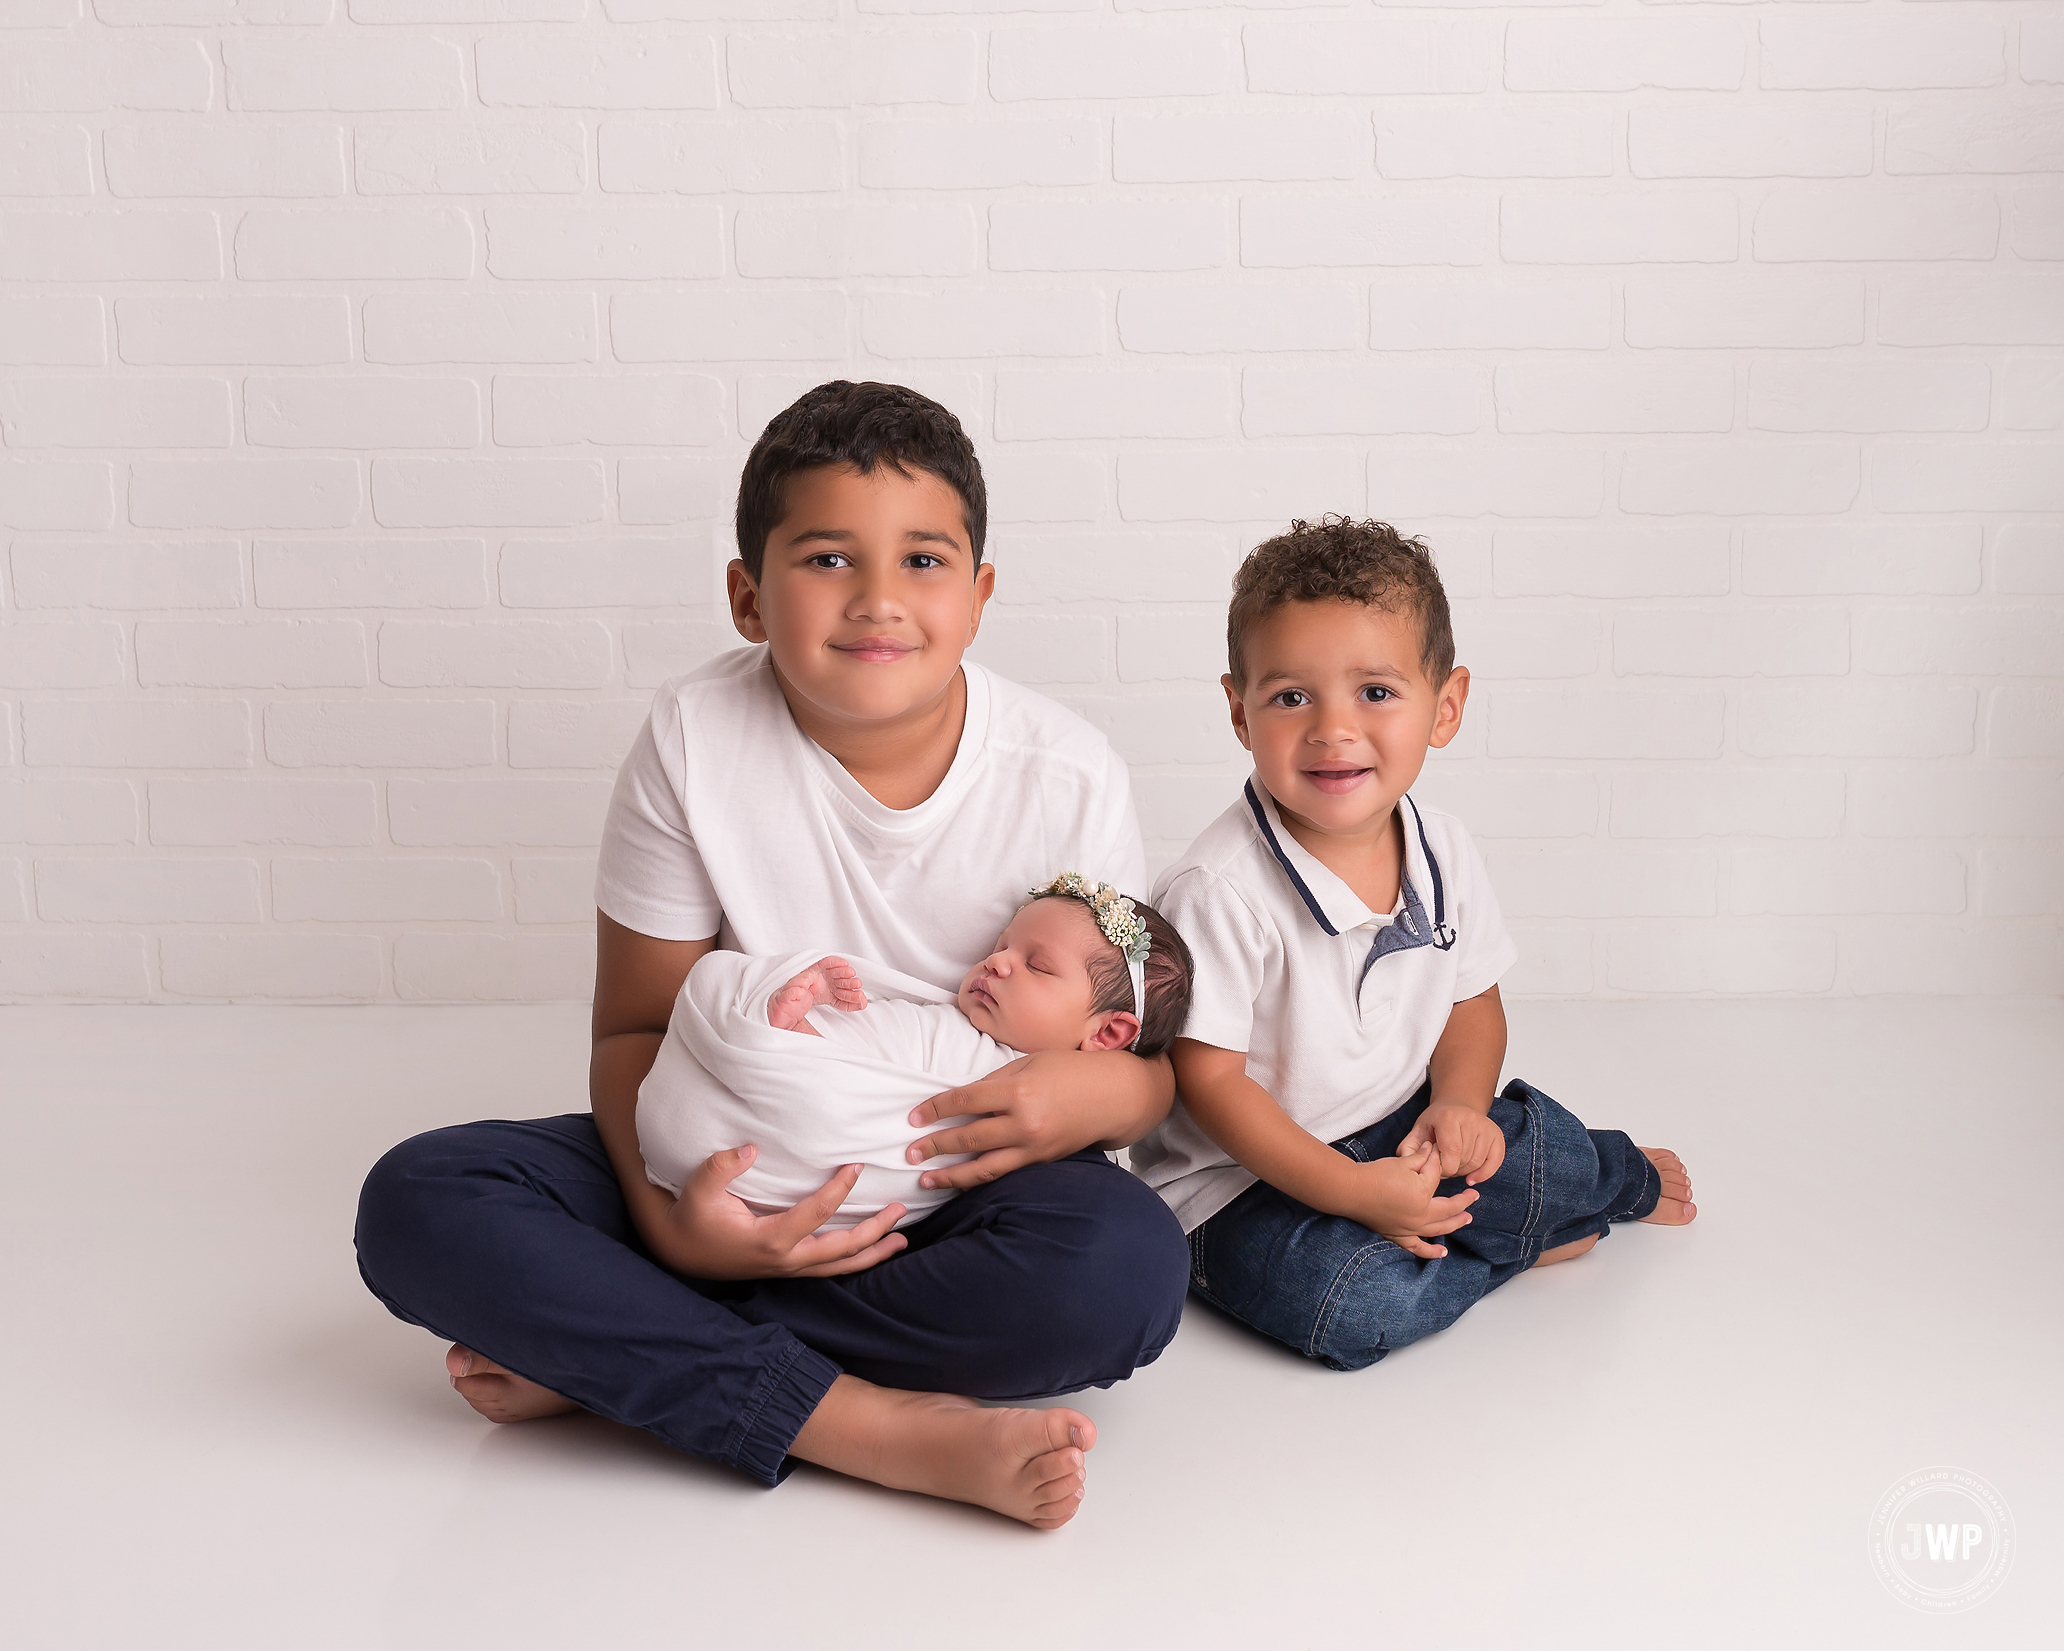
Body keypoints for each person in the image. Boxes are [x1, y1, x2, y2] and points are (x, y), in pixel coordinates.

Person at [354, 382, 1189, 1529]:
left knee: (1126, 1269)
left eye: (925, 562)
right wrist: (672, 1229)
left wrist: (1102, 1091)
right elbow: (633, 1033)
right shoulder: (694, 737)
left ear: (982, 596)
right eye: (829, 559)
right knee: (420, 1200)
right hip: (738, 1159)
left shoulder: (1066, 770)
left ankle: (616, 1355)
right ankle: (871, 1425)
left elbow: (1127, 1037)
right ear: (748, 596)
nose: (880, 601)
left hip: (949, 1185)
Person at [1130, 516, 1697, 1372]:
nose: (1332, 729)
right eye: (1290, 696)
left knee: (1535, 1154)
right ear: (1240, 712)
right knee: (1352, 1304)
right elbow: (1208, 1083)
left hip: (1399, 1126)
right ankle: (1516, 1243)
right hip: (1242, 1186)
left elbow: (1472, 1003)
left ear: (1447, 705)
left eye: (1376, 692)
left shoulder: (1442, 846)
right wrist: (1350, 1191)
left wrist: (1460, 1107)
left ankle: (1606, 1179)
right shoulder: (1221, 888)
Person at [637, 877, 1195, 1234]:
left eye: (1038, 966)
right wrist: (809, 1030)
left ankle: (790, 1038)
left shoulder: (1017, 1078)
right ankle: (785, 1037)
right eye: (1002, 947)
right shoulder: (950, 1024)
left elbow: (870, 1112)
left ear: (1107, 1034)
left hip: (794, 1154)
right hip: (725, 1153)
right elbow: (873, 1049)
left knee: (1125, 1245)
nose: (998, 963)